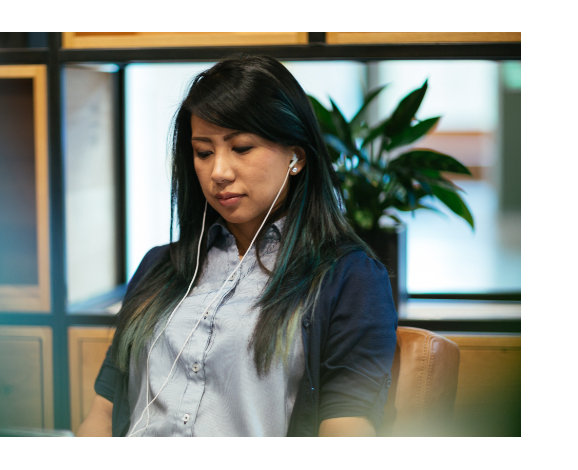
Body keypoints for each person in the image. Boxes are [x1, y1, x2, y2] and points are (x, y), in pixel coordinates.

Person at [77, 55, 397, 437]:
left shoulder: (350, 278)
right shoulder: (160, 267)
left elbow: (347, 431)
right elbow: (101, 414)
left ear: (295, 156)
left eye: (242, 147)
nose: (219, 173)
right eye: (204, 152)